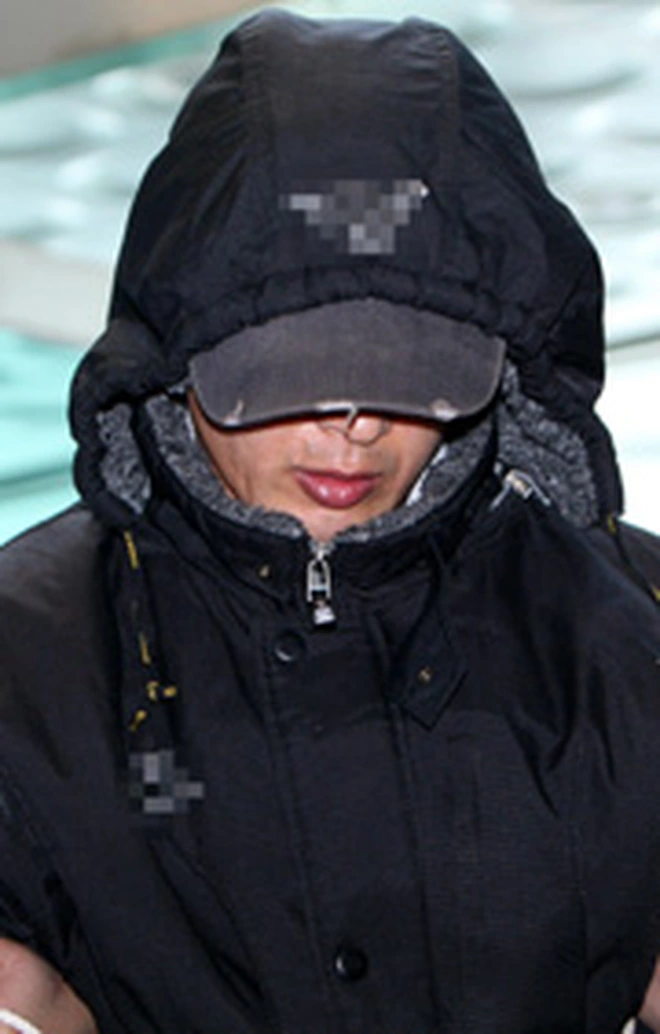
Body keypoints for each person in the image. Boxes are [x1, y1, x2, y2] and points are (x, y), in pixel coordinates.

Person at [1, 9, 660, 1034]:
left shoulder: (627, 631)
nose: (353, 424)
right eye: (289, 372)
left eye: (407, 368)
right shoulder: (25, 665)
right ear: (177, 354)